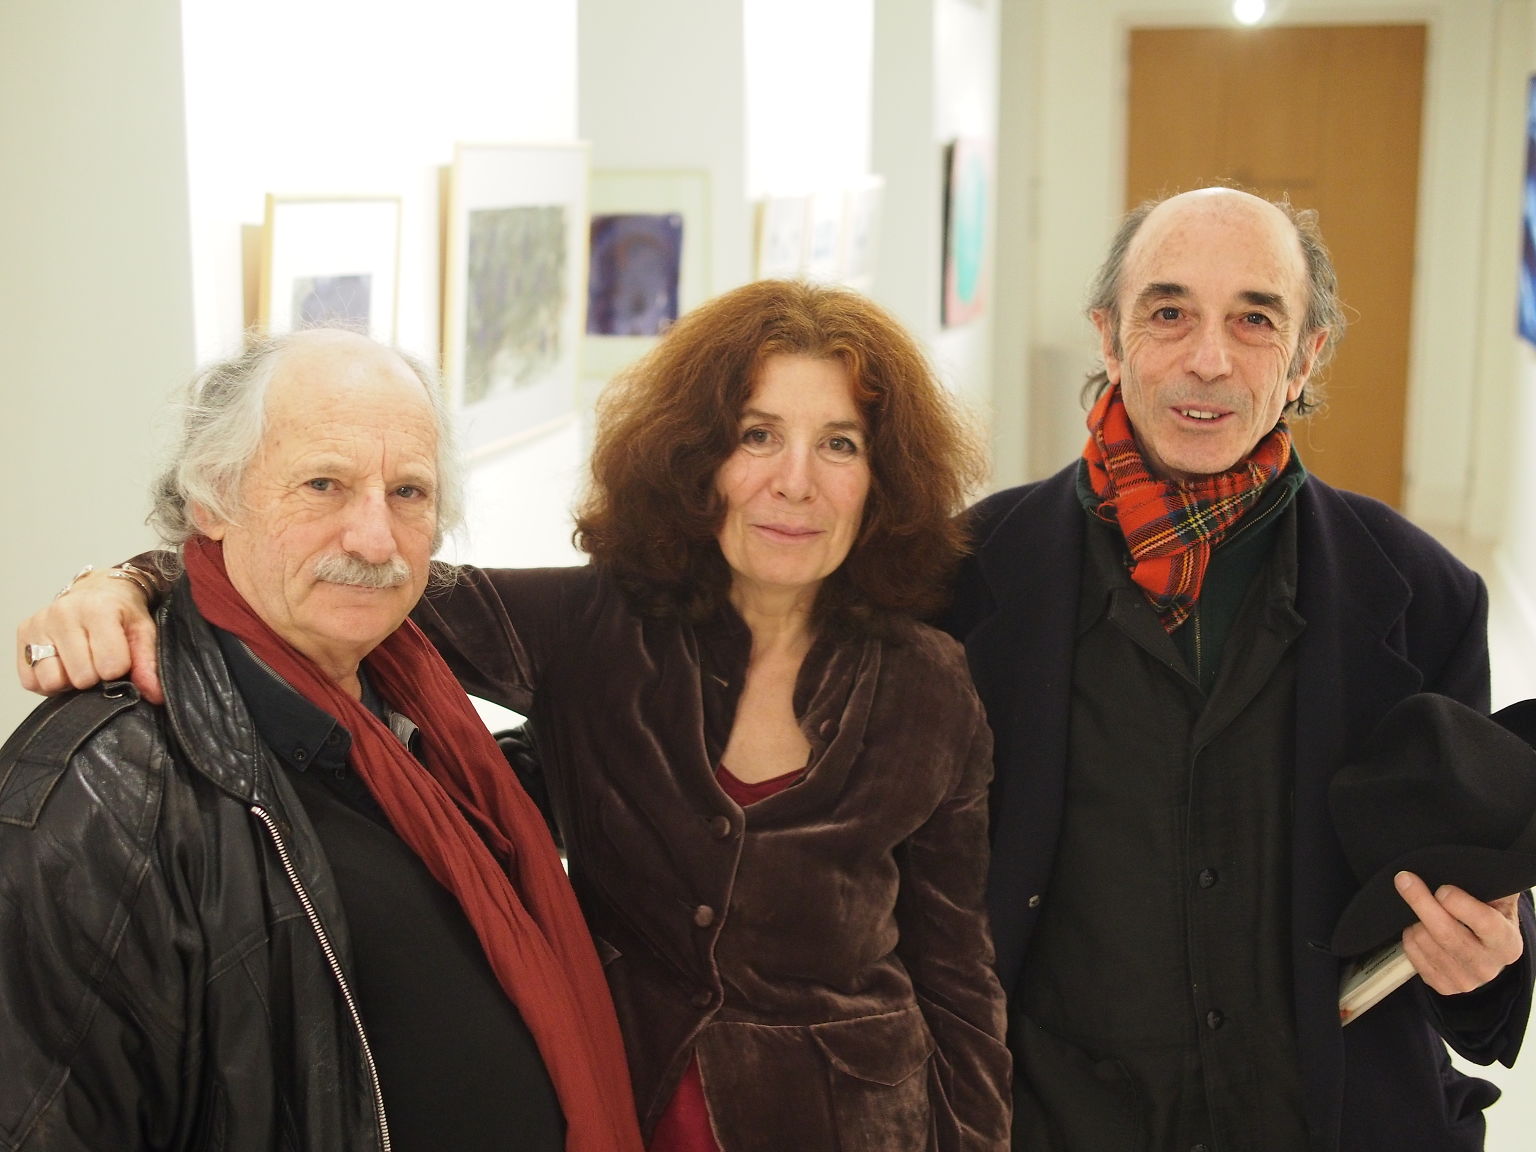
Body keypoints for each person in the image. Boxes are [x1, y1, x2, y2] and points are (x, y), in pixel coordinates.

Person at [17, 281, 1013, 1151]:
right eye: (757, 435)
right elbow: (341, 578)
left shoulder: (929, 685)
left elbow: (957, 976)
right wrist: (129, 582)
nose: (795, 480)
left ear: (882, 476)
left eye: (839, 443)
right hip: (637, 1102)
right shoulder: (597, 625)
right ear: (699, 456)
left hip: (854, 1122)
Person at [938, 187, 1536, 1150]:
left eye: (1255, 320)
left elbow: (1468, 889)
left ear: (1307, 356)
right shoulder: (961, 580)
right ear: (1109, 337)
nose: (1208, 360)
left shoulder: (1426, 595)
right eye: (1169, 312)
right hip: (1050, 1121)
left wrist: (1484, 960)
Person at [1, 329, 643, 1151]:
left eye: (407, 492)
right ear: (212, 501)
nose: (374, 539)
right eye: (323, 484)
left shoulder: (411, 712)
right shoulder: (104, 793)